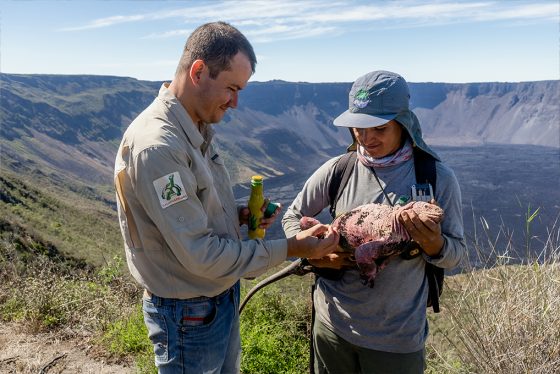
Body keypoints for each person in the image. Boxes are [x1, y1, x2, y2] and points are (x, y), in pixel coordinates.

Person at [114, 21, 339, 373]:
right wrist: (292, 248)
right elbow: (200, 254)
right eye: (231, 88)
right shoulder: (158, 147)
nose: (235, 103)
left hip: (215, 300)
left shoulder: (195, 125)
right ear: (199, 71)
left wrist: (238, 215)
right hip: (188, 316)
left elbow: (190, 211)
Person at [282, 70, 466, 374]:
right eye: (358, 127)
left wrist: (435, 244)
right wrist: (313, 252)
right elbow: (293, 216)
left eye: (379, 128)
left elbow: (457, 253)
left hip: (395, 342)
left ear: (403, 122)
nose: (366, 138)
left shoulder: (435, 178)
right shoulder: (338, 170)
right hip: (331, 327)